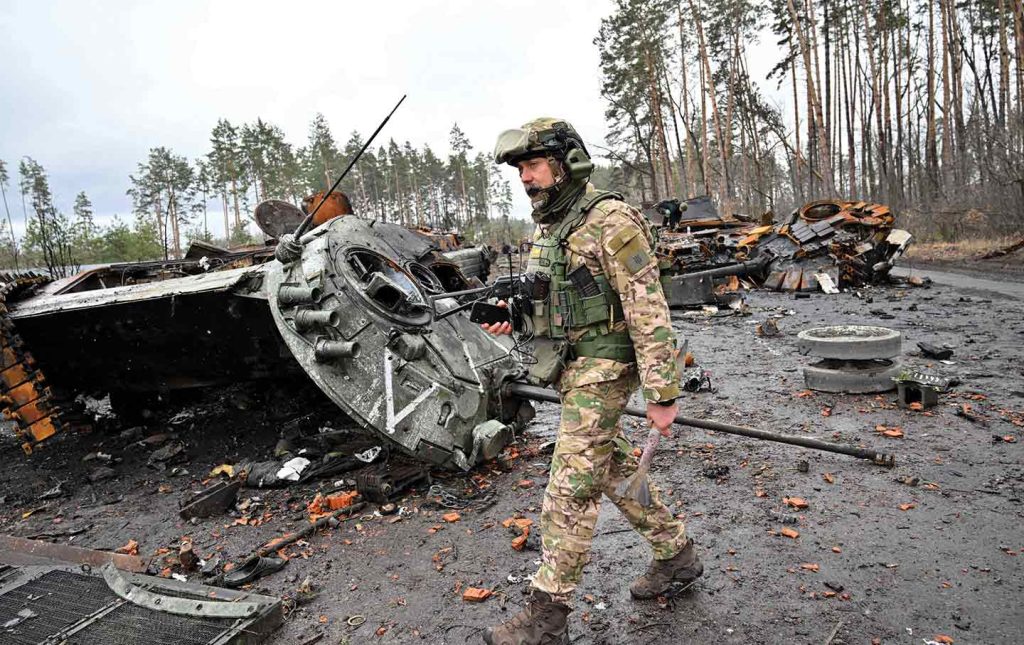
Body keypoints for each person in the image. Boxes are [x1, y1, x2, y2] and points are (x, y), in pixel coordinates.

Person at [482, 118, 702, 645]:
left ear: (565, 163)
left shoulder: (610, 219)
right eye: (520, 169)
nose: (525, 178)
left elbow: (648, 309)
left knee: (571, 485)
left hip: (605, 366)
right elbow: (558, 299)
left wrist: (662, 392)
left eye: (533, 165)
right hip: (573, 365)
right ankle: (676, 554)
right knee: (607, 466)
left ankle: (547, 615)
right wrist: (513, 314)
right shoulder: (552, 225)